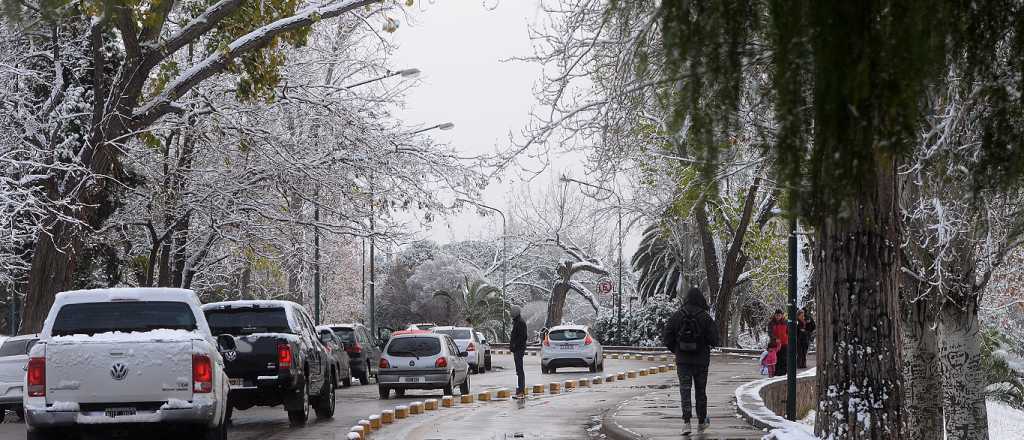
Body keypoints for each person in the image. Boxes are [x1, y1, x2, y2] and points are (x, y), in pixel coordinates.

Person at [663, 287, 718, 435]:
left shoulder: (677, 316)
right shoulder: (705, 317)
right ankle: (701, 422)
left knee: (685, 390)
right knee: (701, 391)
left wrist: (678, 350)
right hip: (701, 361)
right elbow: (715, 340)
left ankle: (686, 423)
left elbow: (667, 338)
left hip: (683, 362)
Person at [509, 305, 528, 398]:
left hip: (519, 349)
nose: (510, 313)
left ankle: (521, 391)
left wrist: (515, 345)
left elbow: (523, 337)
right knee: (518, 370)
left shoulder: (520, 322)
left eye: (512, 311)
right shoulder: (517, 322)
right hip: (517, 349)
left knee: (520, 370)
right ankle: (520, 389)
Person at [767, 309, 788, 377]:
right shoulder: (771, 323)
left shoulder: (785, 322)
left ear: (782, 315)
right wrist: (775, 339)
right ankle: (776, 373)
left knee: (784, 358)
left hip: (784, 343)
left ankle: (783, 373)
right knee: (776, 359)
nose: (778, 317)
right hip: (775, 344)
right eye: (777, 315)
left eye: (779, 315)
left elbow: (788, 331)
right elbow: (770, 332)